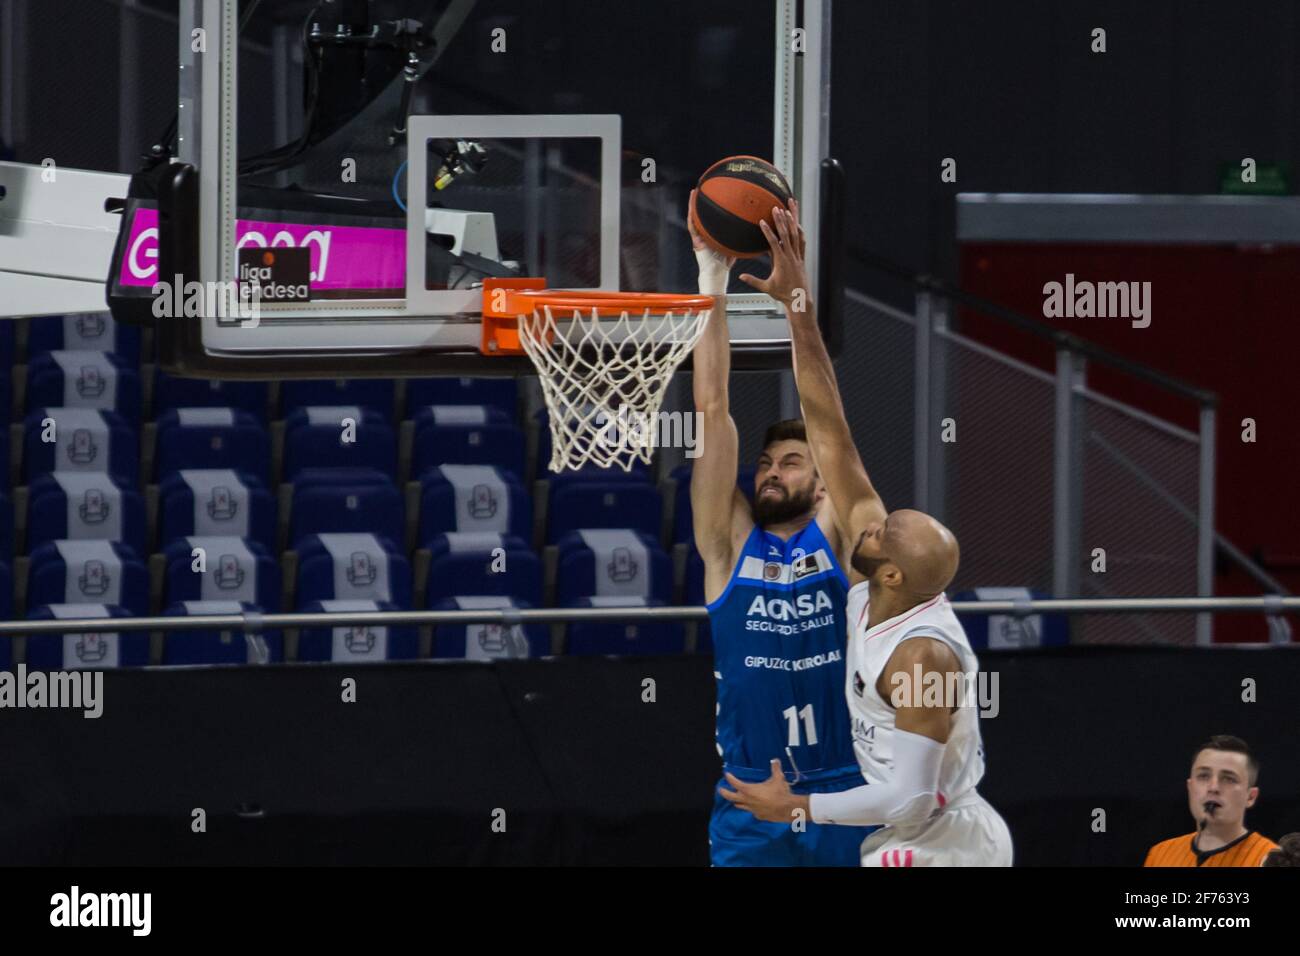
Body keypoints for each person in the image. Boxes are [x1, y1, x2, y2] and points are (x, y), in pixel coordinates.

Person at [718, 201, 1012, 866]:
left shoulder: (922, 660)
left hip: (947, 844)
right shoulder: (881, 580)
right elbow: (830, 430)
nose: (871, 523)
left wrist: (796, 807)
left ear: (891, 574)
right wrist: (797, 307)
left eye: (884, 533)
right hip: (905, 839)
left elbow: (909, 799)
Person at [689, 191, 872, 866]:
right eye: (766, 463)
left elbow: (834, 432)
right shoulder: (730, 544)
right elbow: (713, 410)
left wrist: (797, 305)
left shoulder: (843, 536)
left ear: (821, 483)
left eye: (790, 463)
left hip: (846, 793)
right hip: (748, 804)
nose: (770, 472)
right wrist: (710, 273)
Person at [1144, 735, 1279, 867]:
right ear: (1190, 787)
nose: (1213, 787)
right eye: (1203, 776)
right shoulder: (1159, 854)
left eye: (1228, 779)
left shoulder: (1273, 861)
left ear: (1250, 797)